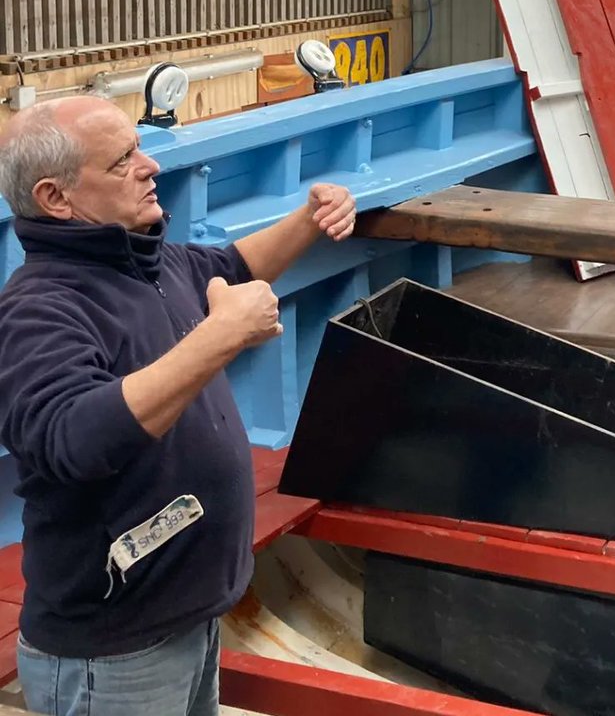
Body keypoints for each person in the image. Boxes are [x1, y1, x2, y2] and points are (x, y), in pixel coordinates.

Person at [0, 96, 357, 716]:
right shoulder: (40, 309)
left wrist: (309, 219)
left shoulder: (148, 262)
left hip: (190, 620)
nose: (150, 167)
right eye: (122, 162)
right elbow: (72, 438)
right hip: (110, 656)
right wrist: (219, 337)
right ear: (57, 199)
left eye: (139, 148)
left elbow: (232, 268)